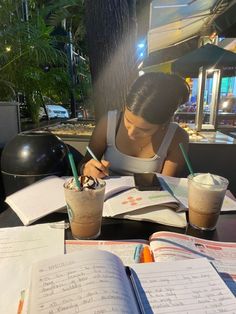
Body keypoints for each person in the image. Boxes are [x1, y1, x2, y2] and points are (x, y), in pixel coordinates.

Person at [79, 72, 190, 178]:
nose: (131, 133)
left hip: (151, 196)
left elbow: (167, 185)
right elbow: (83, 164)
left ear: (164, 123)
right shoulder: (109, 122)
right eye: (128, 120)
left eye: (144, 129)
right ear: (125, 107)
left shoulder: (177, 137)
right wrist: (86, 169)